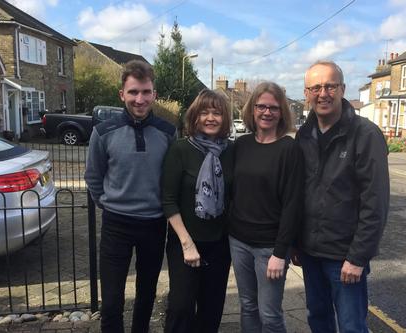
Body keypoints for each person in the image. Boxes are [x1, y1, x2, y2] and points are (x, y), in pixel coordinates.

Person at [293, 60, 390, 333]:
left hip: (345, 257)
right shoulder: (303, 136)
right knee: (318, 318)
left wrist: (358, 257)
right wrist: (295, 243)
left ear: (343, 88)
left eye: (330, 86)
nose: (323, 93)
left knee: (351, 326)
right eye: (316, 87)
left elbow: (376, 203)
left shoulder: (366, 134)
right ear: (306, 93)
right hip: (311, 254)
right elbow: (298, 194)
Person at [84, 60, 177, 333]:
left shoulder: (168, 132)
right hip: (116, 226)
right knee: (112, 301)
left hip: (154, 225)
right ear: (122, 94)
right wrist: (111, 204)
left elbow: (171, 179)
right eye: (134, 92)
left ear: (154, 94)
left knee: (146, 295)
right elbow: (93, 177)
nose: (140, 99)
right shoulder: (103, 133)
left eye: (146, 92)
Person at [229, 82, 305, 333]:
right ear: (252, 109)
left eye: (274, 107)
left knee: (270, 315)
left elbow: (293, 205)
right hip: (238, 241)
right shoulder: (241, 145)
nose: (267, 112)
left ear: (282, 112)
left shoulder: (289, 149)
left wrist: (280, 253)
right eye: (261, 106)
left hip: (269, 247)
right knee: (247, 306)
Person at [161, 89, 234, 333]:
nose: (211, 118)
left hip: (220, 244)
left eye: (217, 113)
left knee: (211, 309)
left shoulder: (231, 151)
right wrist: (186, 243)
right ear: (195, 116)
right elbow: (168, 200)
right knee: (181, 307)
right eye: (205, 112)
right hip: (185, 243)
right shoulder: (180, 149)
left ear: (225, 118)